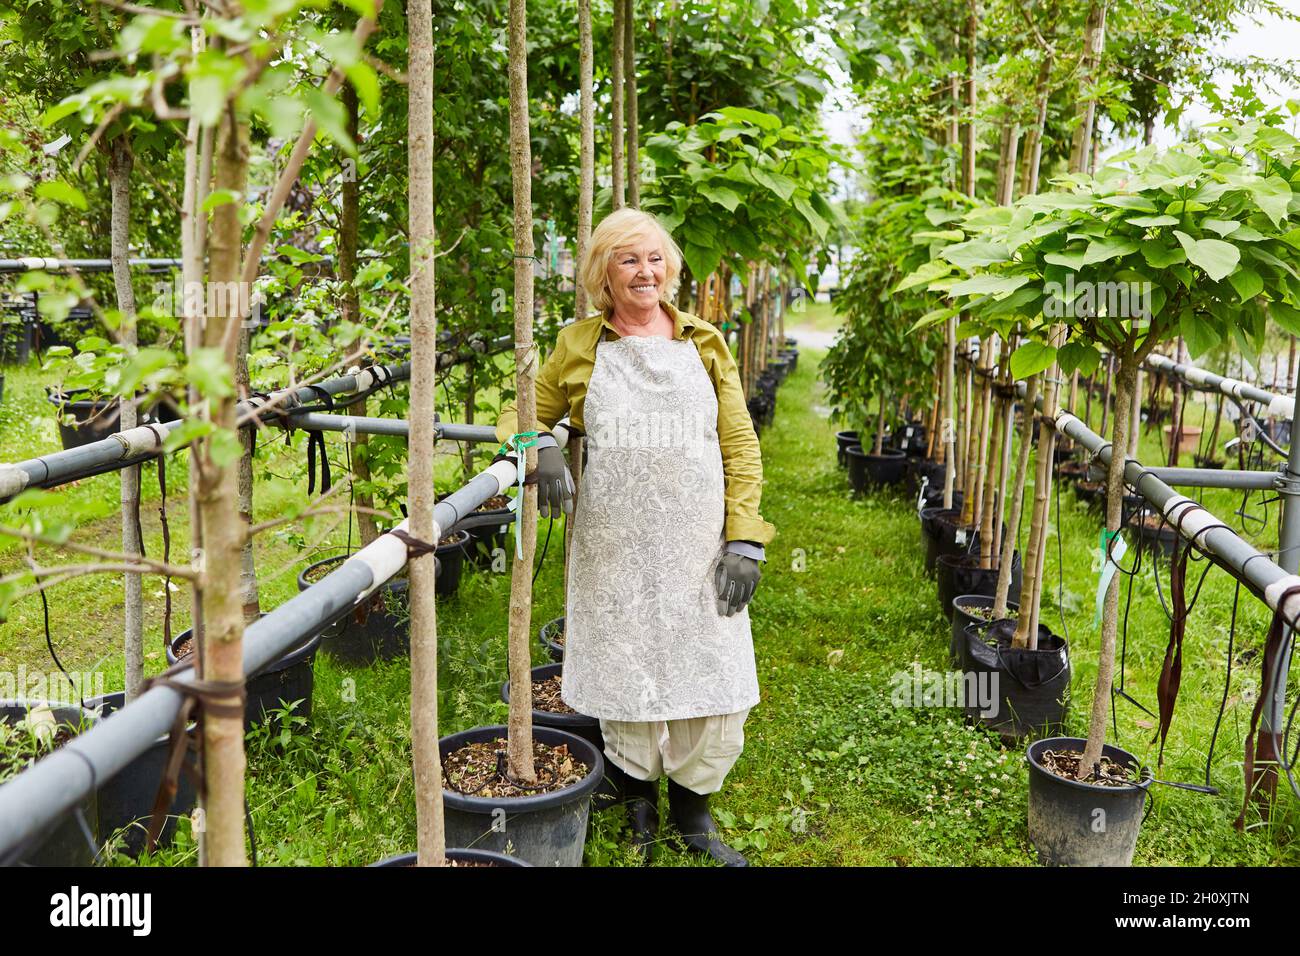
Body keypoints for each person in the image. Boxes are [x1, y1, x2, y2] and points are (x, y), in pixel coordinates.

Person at [495, 207, 775, 865]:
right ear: (603, 273)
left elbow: (737, 440)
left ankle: (695, 810)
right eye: (628, 259)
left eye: (654, 258)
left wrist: (745, 538)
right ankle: (638, 798)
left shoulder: (704, 341)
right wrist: (543, 446)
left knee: (714, 668)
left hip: (696, 540)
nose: (645, 271)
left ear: (670, 267)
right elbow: (521, 409)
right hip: (613, 541)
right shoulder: (578, 345)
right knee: (626, 664)